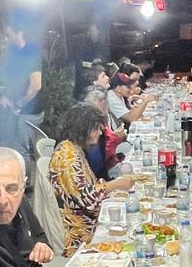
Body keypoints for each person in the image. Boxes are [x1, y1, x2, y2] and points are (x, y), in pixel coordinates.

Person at [49, 104, 135, 255]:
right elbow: (88, 201)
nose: (101, 133)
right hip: (79, 232)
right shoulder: (67, 158)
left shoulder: (73, 148)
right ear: (84, 129)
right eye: (97, 128)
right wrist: (115, 184)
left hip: (87, 221)